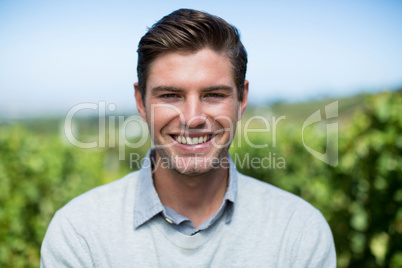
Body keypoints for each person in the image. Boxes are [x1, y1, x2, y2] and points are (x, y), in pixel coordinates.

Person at [41, 8, 336, 267]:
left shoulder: (299, 232)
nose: (192, 117)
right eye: (170, 95)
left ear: (242, 99)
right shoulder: (79, 234)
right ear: (141, 102)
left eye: (213, 95)